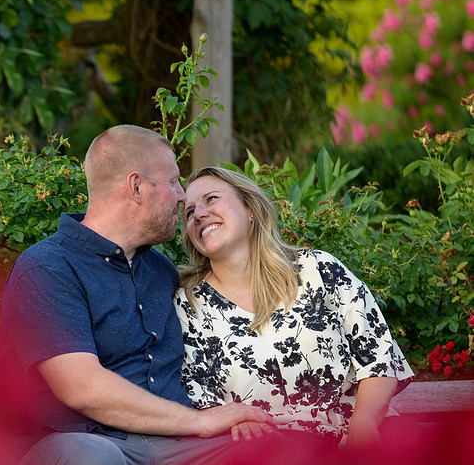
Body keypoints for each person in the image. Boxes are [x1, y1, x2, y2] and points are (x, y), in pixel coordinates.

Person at [0, 125, 273, 465]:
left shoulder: (159, 271)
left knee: (271, 452)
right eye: (173, 182)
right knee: (95, 461)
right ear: (136, 186)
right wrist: (200, 421)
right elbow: (81, 387)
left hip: (168, 456)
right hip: (72, 453)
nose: (182, 197)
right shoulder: (47, 268)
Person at [175, 166, 412, 448]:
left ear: (250, 209)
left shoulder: (318, 269)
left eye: (211, 199)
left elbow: (378, 357)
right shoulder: (188, 305)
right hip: (271, 454)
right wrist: (236, 421)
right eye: (189, 212)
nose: (199, 215)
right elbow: (200, 395)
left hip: (365, 436)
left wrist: (364, 423)